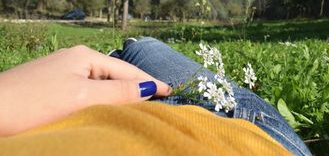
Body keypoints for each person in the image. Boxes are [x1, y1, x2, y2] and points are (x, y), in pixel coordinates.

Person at [0, 37, 312, 156]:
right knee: (145, 48)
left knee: (130, 55)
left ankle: (119, 56)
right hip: (234, 134)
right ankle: (128, 50)